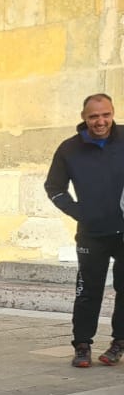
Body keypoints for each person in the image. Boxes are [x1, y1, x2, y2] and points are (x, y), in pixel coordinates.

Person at [46, 93, 124, 368]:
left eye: (106, 115)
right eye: (94, 116)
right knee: (88, 291)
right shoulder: (69, 149)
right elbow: (53, 188)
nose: (101, 121)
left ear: (113, 113)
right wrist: (79, 212)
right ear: (84, 118)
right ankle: (82, 344)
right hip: (92, 233)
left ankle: (118, 344)